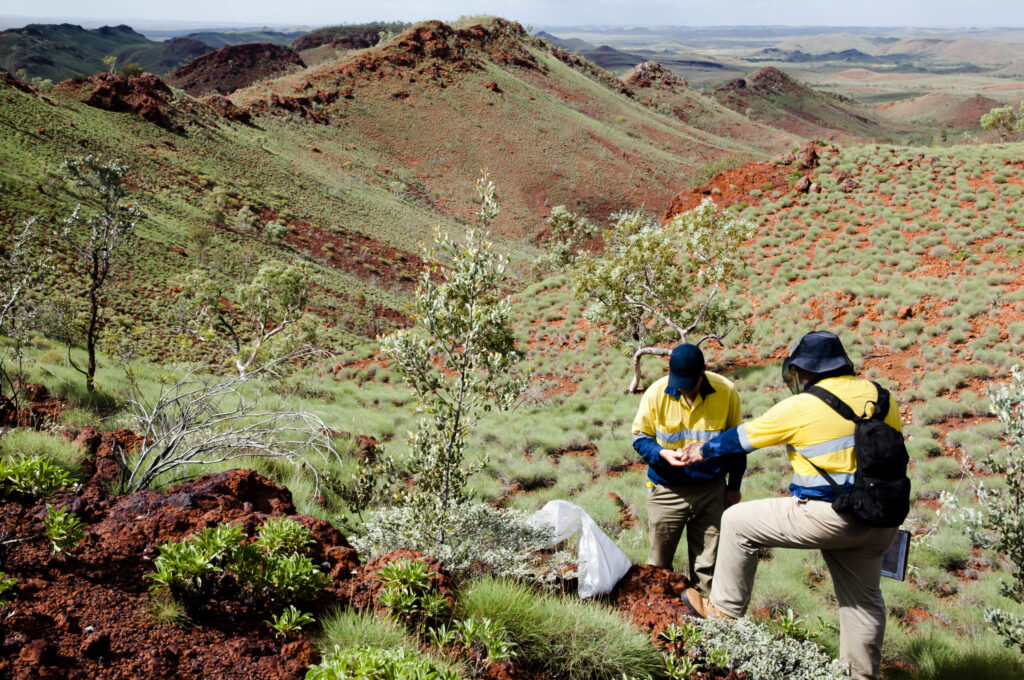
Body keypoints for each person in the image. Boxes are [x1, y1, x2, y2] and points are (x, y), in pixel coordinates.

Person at [679, 331, 903, 680]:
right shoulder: (882, 397)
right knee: (863, 602)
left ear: (805, 372)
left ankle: (722, 612)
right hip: (879, 519)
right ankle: (861, 676)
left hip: (829, 516)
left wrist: (699, 450)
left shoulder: (802, 406)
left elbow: (741, 438)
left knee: (737, 520)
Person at [631, 343, 744, 594]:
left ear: (704, 370)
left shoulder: (726, 391)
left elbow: (737, 444)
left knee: (709, 568)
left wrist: (733, 487)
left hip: (711, 491)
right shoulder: (655, 393)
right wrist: (661, 453)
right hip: (667, 490)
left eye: (689, 381)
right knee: (659, 567)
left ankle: (705, 621)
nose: (684, 387)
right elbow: (640, 439)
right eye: (679, 381)